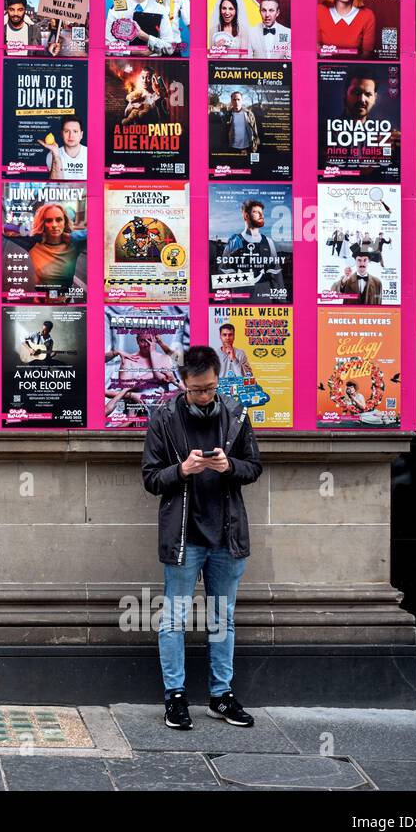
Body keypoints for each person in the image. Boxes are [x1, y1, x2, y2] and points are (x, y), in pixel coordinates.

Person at [141, 345, 262, 731]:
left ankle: (221, 696)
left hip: (227, 537)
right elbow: (150, 478)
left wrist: (229, 467)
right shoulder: (163, 417)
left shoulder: (236, 414)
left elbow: (254, 467)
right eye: (196, 390)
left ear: (217, 379)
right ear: (182, 383)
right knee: (174, 619)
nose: (204, 396)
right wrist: (182, 469)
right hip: (183, 536)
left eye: (210, 388)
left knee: (222, 618)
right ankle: (175, 698)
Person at [7, 201, 87, 300]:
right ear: (42, 224)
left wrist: (73, 237)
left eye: (59, 220)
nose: (54, 225)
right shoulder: (33, 243)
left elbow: (101, 229)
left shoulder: (74, 243)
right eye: (48, 221)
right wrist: (34, 235)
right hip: (40, 302)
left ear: (65, 222)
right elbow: (5, 228)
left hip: (67, 303)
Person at [220, 198, 285, 300]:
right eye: (256, 212)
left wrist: (282, 299)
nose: (261, 215)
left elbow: (277, 274)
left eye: (261, 212)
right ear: (246, 215)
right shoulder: (234, 241)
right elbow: (222, 274)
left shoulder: (268, 242)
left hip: (264, 301)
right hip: (239, 301)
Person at [105, 0, 177, 55]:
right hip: (121, 64)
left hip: (152, 64)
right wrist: (133, 52)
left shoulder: (160, 10)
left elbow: (169, 47)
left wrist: (146, 37)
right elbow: (108, 46)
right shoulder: (116, 9)